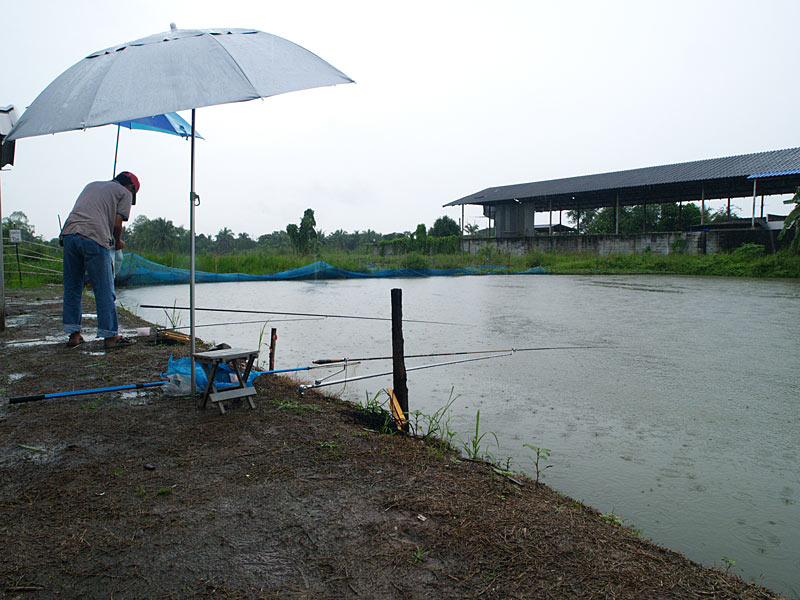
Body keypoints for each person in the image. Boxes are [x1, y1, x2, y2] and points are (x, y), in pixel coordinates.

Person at [60, 171, 140, 349]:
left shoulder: (91, 185)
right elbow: (117, 224)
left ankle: (74, 335)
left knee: (73, 287)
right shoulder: (125, 193)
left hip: (69, 235)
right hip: (94, 238)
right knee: (104, 289)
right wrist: (117, 241)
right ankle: (110, 336)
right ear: (130, 187)